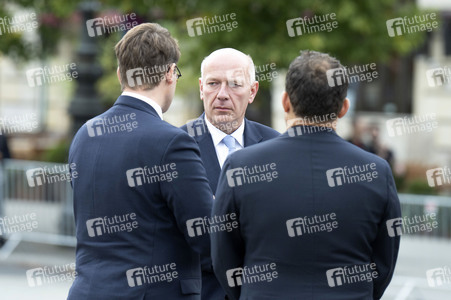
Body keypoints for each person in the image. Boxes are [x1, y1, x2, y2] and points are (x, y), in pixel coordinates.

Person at [212, 50, 401, 299]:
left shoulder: (240, 166)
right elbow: (384, 262)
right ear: (344, 107)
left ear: (286, 102)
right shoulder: (375, 172)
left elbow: (223, 258)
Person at [68, 23, 213, 300]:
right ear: (170, 73)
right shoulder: (172, 142)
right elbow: (206, 234)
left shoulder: (85, 134)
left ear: (120, 73)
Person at [180, 48, 279, 299]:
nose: (222, 95)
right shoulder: (175, 146)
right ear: (201, 87)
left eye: (235, 84)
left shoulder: (275, 146)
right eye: (213, 84)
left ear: (253, 91)